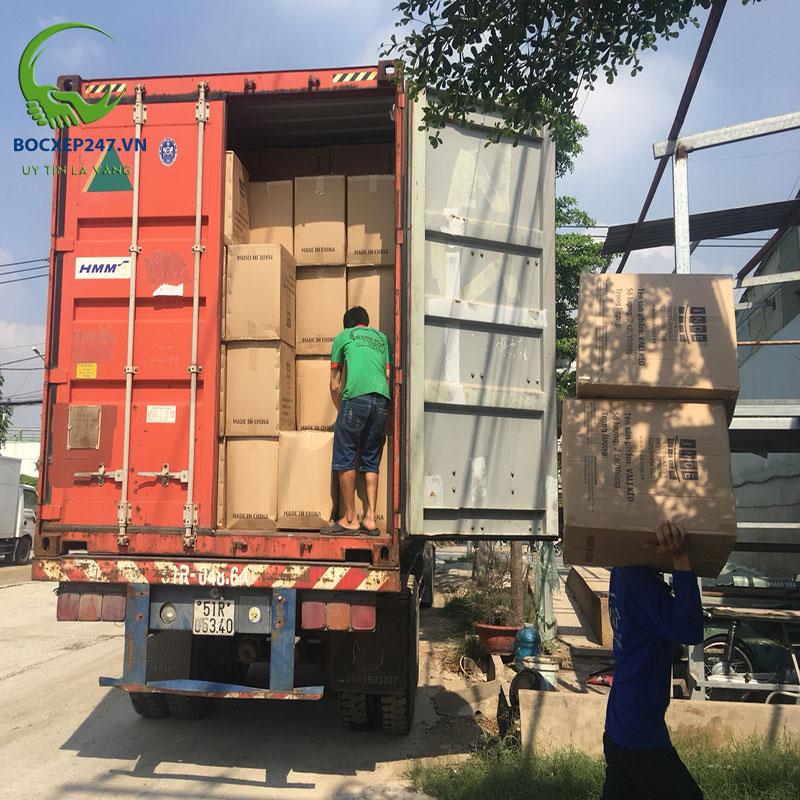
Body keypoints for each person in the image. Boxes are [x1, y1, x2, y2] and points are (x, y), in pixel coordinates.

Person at [601, 521, 705, 800]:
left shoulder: (622, 571)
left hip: (619, 722)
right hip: (639, 732)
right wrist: (680, 558)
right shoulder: (641, 583)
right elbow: (690, 630)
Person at [324, 306, 390, 536]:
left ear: (348, 325)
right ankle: (371, 518)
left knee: (345, 456)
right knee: (371, 459)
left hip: (356, 399)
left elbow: (335, 384)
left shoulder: (343, 337)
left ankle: (350, 518)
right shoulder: (381, 339)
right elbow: (388, 375)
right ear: (366, 323)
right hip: (381, 400)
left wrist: (341, 410)